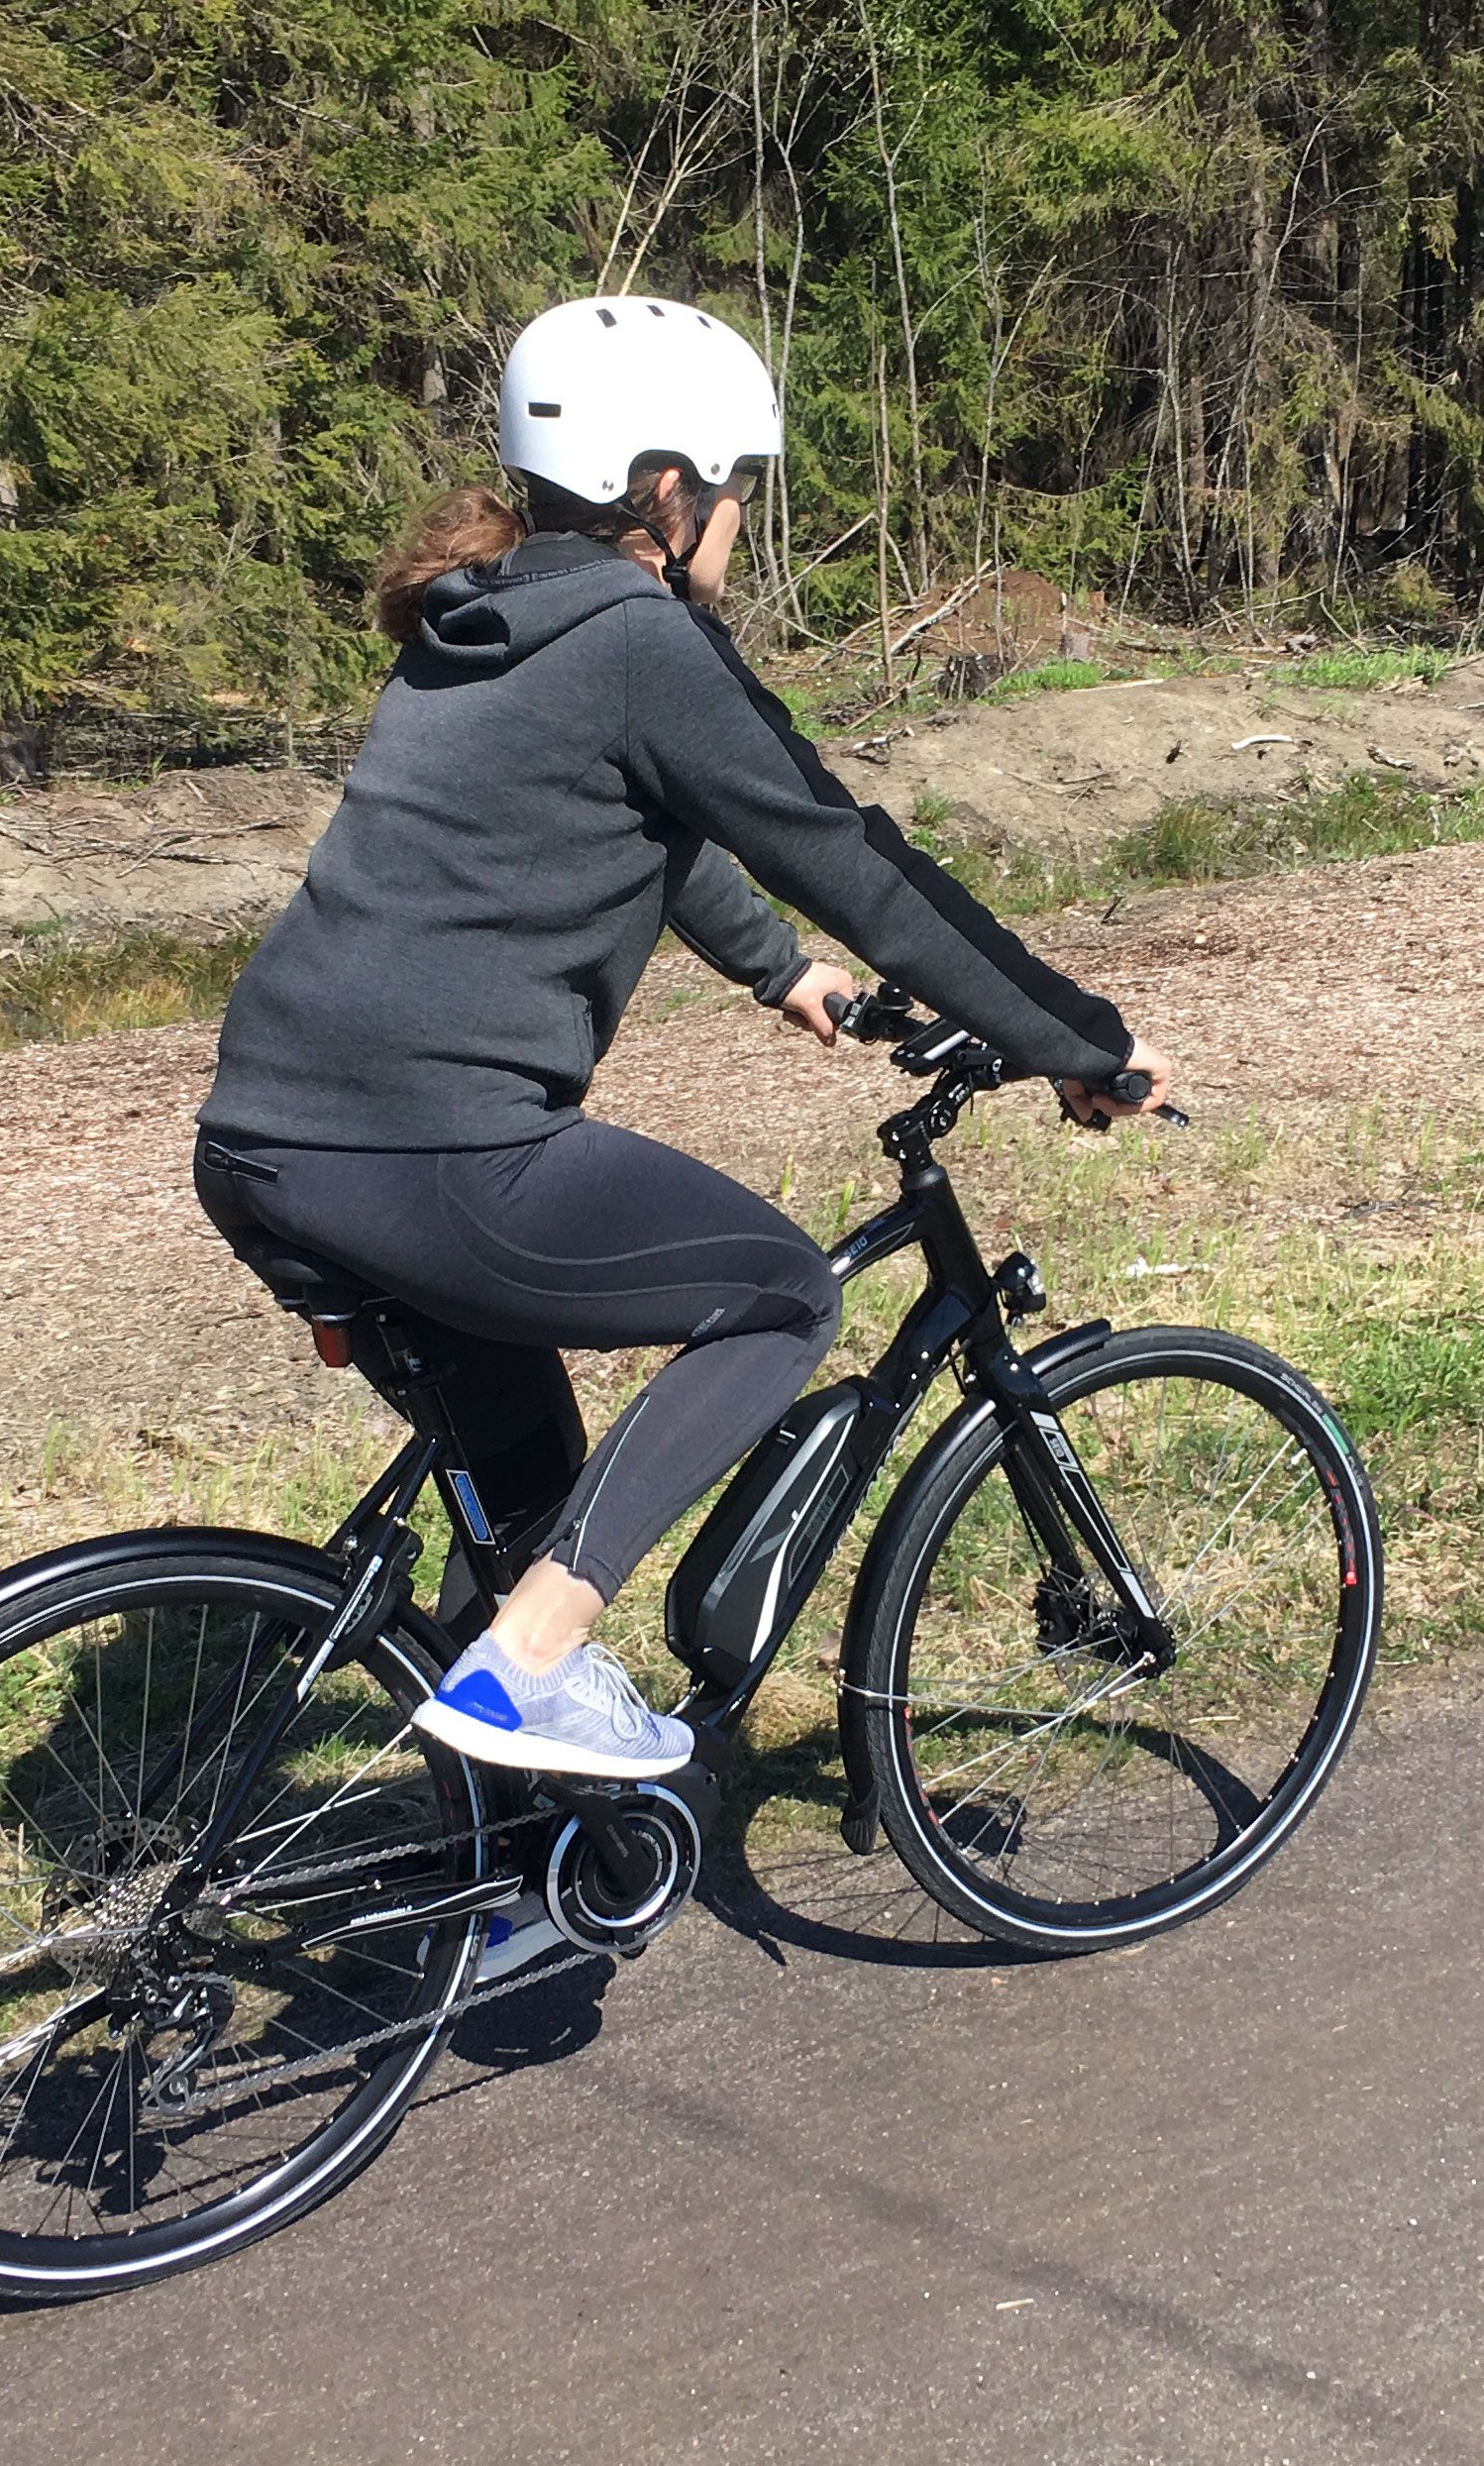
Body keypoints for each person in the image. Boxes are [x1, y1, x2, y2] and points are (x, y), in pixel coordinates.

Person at [193, 293, 1172, 1785]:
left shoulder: (487, 614)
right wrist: (1077, 1040)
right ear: (666, 490)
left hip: (266, 1137)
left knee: (528, 1500)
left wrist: (789, 977)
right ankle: (527, 1671)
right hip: (432, 1150)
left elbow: (649, 823)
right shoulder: (643, 640)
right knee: (779, 1299)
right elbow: (854, 859)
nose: (740, 526)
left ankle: (519, 1855)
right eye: (735, 493)